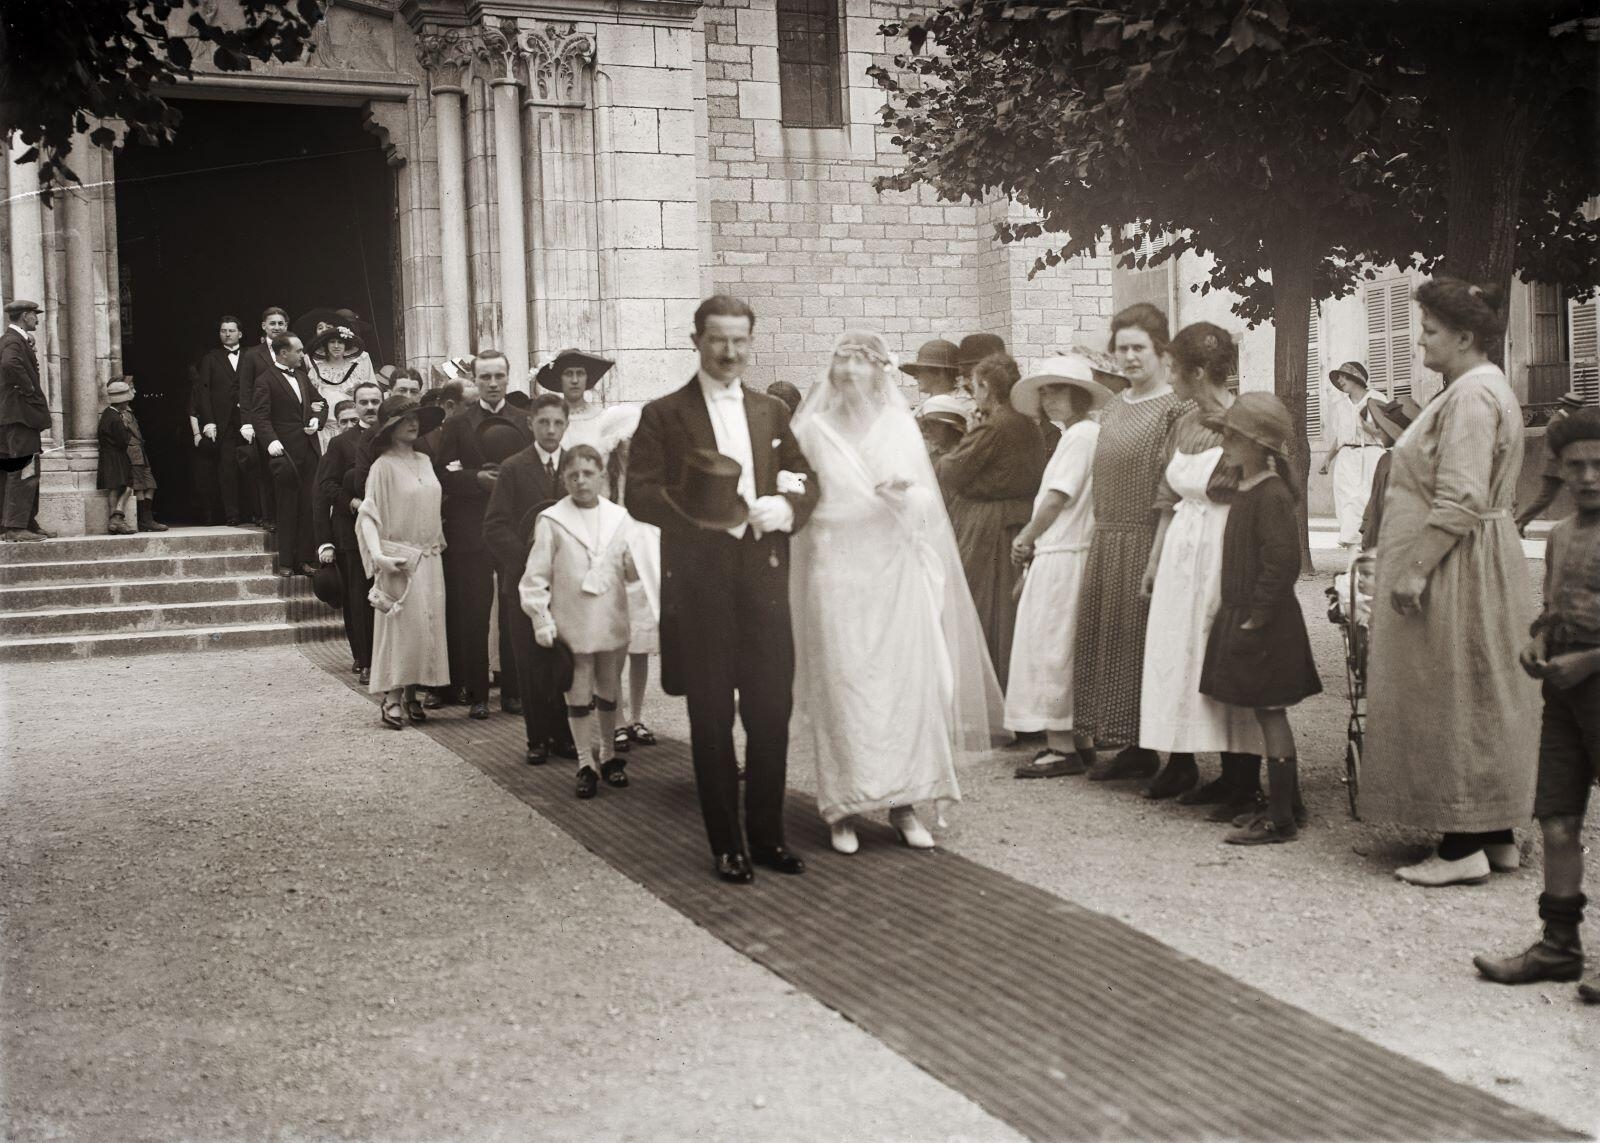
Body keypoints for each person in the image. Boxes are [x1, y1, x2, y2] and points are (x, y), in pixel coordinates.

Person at [625, 295, 820, 885]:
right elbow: (637, 492)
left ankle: (766, 836)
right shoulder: (664, 414)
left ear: (750, 341)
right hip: (701, 586)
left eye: (739, 340)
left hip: (764, 581)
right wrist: (711, 514)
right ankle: (726, 843)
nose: (730, 351)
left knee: (770, 713)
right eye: (718, 339)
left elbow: (809, 479)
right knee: (711, 719)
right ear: (697, 340)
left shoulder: (770, 411)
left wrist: (788, 507)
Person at [790, 330, 1002, 852]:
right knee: (844, 687)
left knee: (903, 689)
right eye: (843, 374)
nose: (851, 382)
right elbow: (796, 488)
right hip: (837, 571)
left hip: (892, 571)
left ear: (877, 378)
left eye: (862, 373)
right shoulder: (812, 430)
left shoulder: (896, 426)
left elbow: (927, 496)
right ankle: (842, 806)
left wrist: (906, 495)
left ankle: (905, 803)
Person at [1363, 278, 1540, 887]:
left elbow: (1461, 495)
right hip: (1473, 557)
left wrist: (1414, 572)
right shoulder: (1477, 389)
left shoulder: (1470, 397)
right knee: (1480, 687)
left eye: (1431, 332)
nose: (1418, 342)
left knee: (1454, 692)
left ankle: (1462, 842)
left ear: (1465, 337)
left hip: (1455, 564)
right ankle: (1494, 833)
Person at [1474, 408, 1600, 1002]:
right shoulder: (1562, 535)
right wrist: (1539, 640)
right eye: (1575, 466)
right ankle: (1558, 945)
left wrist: (1591, 660)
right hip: (1563, 695)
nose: (1589, 476)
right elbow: (1553, 609)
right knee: (1556, 818)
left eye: (1599, 464)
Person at [1136, 322, 1264, 808]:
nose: (1168, 379)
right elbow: (1169, 494)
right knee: (1179, 652)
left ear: (1195, 371)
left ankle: (1242, 777)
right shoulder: (1184, 423)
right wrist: (1155, 558)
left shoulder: (1247, 419)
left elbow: (1260, 496)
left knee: (1223, 650)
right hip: (1183, 550)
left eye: (1172, 370)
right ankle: (1182, 760)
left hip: (1226, 546)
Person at [1197, 393, 1321, 845]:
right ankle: (1287, 803)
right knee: (1263, 711)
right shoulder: (1246, 488)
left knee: (1271, 714)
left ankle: (1282, 818)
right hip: (1246, 614)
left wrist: (1254, 620)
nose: (1226, 443)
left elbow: (1280, 565)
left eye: (1235, 436)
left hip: (1266, 622)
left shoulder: (1269, 493)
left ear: (1260, 445)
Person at [1073, 303, 1189, 781]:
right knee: (1116, 641)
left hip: (1147, 537)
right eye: (1122, 349)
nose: (1129, 357)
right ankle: (1133, 747)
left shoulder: (1176, 408)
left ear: (1161, 351)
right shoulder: (1115, 406)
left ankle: (1170, 753)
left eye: (1139, 347)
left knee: (1149, 645)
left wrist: (1160, 552)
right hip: (1109, 538)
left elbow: (1175, 483)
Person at [535, 347, 660, 754]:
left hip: (612, 523)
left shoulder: (607, 420)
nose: (575, 380)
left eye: (580, 374)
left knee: (631, 625)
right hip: (574, 525)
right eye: (568, 374)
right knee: (592, 628)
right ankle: (606, 720)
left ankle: (633, 715)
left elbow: (623, 467)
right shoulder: (559, 423)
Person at [1005, 356, 1115, 778]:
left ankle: (1062, 746)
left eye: (1058, 390)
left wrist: (1026, 537)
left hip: (1064, 552)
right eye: (1045, 392)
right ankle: (1078, 741)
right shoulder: (1083, 435)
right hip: (1068, 550)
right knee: (1064, 645)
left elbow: (1057, 498)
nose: (1049, 399)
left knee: (1051, 646)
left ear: (1080, 395)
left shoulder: (1080, 437)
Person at [520, 445, 639, 799]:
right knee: (578, 690)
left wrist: (635, 565)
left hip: (611, 616)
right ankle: (585, 763)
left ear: (602, 474)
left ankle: (609, 756)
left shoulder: (620, 518)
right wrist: (541, 617)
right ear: (564, 479)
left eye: (588, 473)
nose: (581, 481)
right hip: (573, 618)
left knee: (609, 688)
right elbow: (534, 575)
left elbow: (632, 568)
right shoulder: (553, 520)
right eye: (572, 475)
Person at [938, 353, 1046, 690]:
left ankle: (995, 694)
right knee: (1015, 610)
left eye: (975, 386)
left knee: (989, 608)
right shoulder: (1028, 423)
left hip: (990, 525)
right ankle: (1020, 696)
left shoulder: (995, 425)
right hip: (1021, 517)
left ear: (985, 387)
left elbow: (952, 470)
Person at [485, 393, 581, 765]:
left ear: (566, 424)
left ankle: (565, 735)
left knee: (563, 658)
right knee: (530, 661)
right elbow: (494, 526)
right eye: (544, 423)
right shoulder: (513, 467)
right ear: (531, 424)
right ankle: (537, 738)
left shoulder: (577, 465)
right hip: (524, 582)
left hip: (567, 582)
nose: (551, 430)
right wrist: (531, 563)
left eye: (558, 423)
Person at [434, 350, 530, 718]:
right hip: (470, 529)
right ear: (474, 380)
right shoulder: (458, 423)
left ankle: (513, 692)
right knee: (473, 611)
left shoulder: (523, 420)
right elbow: (440, 473)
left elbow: (532, 469)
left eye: (499, 376)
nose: (492, 384)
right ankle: (476, 692)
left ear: (508, 377)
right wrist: (475, 479)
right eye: (485, 377)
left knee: (512, 611)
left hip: (511, 529)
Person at [357, 395, 450, 729]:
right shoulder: (382, 466)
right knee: (401, 628)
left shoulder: (425, 460)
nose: (412, 424)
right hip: (399, 557)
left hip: (430, 556)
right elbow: (368, 515)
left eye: (416, 418)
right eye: (403, 419)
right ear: (389, 428)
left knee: (425, 626)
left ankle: (412, 694)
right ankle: (392, 697)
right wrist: (379, 556)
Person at [316, 381, 384, 684]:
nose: (370, 407)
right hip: (353, 531)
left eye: (375, 401)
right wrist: (353, 502)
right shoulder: (341, 444)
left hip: (388, 529)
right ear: (355, 406)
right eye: (364, 402)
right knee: (359, 597)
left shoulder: (392, 438)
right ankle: (366, 660)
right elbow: (326, 485)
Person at [250, 332, 324, 575]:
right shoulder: (265, 379)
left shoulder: (302, 377)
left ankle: (305, 559)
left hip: (309, 451)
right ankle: (286, 562)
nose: (303, 355)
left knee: (308, 505)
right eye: (299, 350)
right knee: (287, 506)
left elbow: (320, 402)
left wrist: (316, 420)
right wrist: (270, 441)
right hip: (285, 455)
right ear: (283, 353)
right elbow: (259, 417)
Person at [1318, 361, 1389, 548]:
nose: (1340, 381)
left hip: (1372, 457)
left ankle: (1371, 556)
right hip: (1346, 460)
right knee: (1348, 507)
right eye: (1338, 378)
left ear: (1356, 378)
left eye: (1343, 376)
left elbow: (1392, 432)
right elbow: (1339, 436)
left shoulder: (1377, 399)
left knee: (1368, 504)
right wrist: (1328, 459)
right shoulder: (1341, 405)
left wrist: (1371, 431)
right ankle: (1353, 561)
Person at [1, 298, 51, 543]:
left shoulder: (13, 340)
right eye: (34, 314)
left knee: (21, 468)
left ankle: (24, 522)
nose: (37, 319)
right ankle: (15, 527)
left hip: (13, 417)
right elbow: (10, 363)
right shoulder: (12, 341)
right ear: (24, 316)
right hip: (20, 417)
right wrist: (29, 389)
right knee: (24, 469)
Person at [192, 315, 248, 525]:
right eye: (223, 331)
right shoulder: (211, 358)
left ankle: (256, 513)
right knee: (227, 470)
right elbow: (203, 392)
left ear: (240, 333)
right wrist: (208, 421)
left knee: (252, 468)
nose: (227, 334)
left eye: (231, 330)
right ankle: (232, 515)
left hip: (248, 421)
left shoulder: (251, 355)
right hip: (223, 424)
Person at [238, 306, 290, 531]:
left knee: (288, 469)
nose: (276, 327)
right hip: (262, 420)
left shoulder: (293, 350)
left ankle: (288, 516)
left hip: (288, 420)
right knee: (267, 471)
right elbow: (245, 389)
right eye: (272, 323)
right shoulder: (252, 354)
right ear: (264, 327)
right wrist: (246, 421)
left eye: (280, 323)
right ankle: (269, 517)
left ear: (286, 326)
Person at [94, 377, 166, 533]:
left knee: (142, 486)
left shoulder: (116, 414)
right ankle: (122, 519)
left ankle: (124, 520)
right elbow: (122, 439)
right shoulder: (116, 416)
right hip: (122, 457)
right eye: (130, 390)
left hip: (125, 455)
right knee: (130, 486)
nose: (130, 398)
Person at [1516, 391, 1587, 534]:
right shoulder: (1557, 421)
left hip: (1560, 467)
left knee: (1575, 493)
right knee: (1545, 499)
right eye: (1576, 408)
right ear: (1569, 407)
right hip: (1556, 468)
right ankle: (1519, 523)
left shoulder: (1563, 420)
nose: (1578, 411)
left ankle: (1519, 523)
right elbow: (1556, 446)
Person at [1357, 396, 1419, 551]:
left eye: (1382, 428)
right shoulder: (1392, 460)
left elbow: (1379, 504)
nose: (1378, 431)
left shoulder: (1389, 462)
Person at [306, 324, 376, 448]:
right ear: (326, 346)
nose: (336, 346)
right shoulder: (316, 371)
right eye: (332, 342)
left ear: (346, 346)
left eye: (340, 342)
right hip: (326, 430)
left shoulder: (357, 369)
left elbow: (371, 393)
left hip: (353, 428)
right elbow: (310, 399)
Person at [900, 339, 975, 422]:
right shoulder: (929, 404)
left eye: (920, 371)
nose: (915, 377)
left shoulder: (959, 405)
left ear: (939, 373)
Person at [916, 394, 968, 466]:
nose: (928, 430)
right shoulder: (929, 461)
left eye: (934, 424)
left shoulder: (966, 458)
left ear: (952, 428)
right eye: (926, 425)